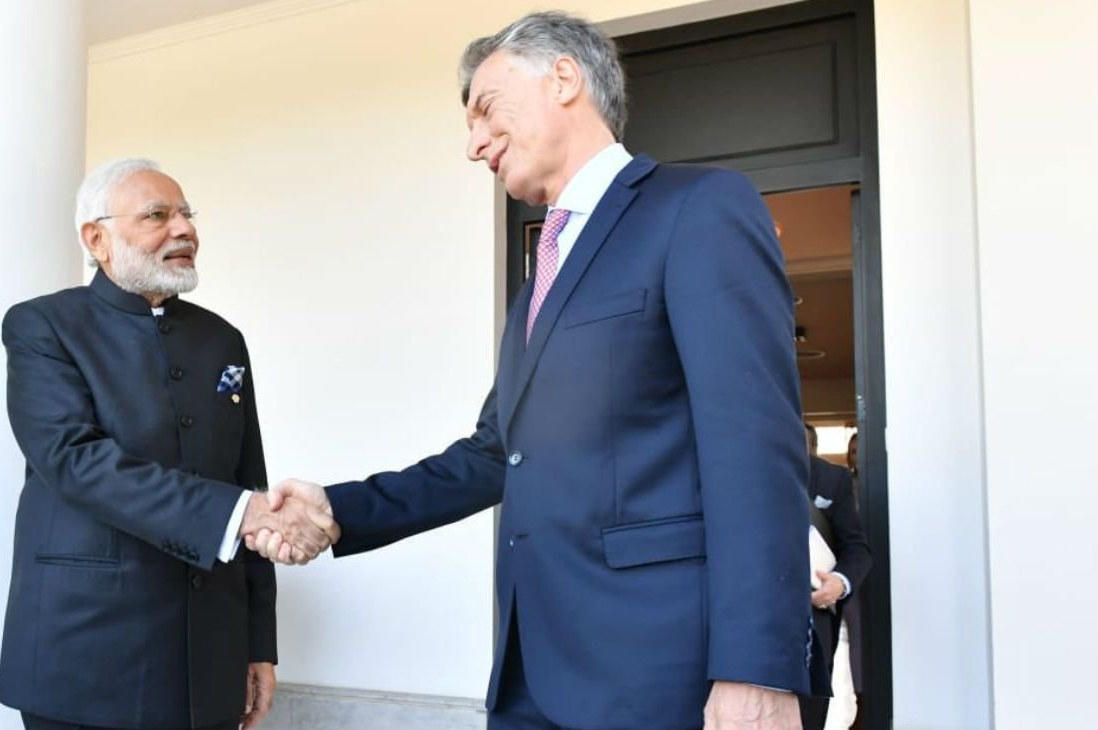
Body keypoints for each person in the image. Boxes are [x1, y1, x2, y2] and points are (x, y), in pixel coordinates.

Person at [250, 11, 815, 730]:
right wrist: (337, 511)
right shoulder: (536, 284)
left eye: (485, 108)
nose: (473, 142)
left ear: (564, 77)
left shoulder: (698, 208)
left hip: (660, 676)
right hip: (530, 674)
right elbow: (495, 456)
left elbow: (755, 449)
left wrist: (756, 669)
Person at [0, 158, 337, 730]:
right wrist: (241, 511)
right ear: (96, 238)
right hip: (85, 655)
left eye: (187, 215)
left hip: (207, 659)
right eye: (158, 215)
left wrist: (258, 644)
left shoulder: (223, 339)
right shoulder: (41, 327)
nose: (184, 230)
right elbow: (75, 461)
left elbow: (245, 482)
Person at [801, 425, 872, 730]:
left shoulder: (832, 479)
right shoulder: (738, 477)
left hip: (814, 621)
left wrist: (839, 583)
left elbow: (856, 550)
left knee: (809, 712)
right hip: (750, 619)